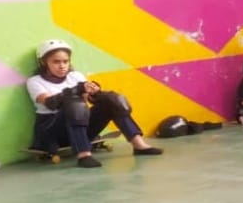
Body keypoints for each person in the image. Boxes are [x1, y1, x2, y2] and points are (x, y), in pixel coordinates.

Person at [27, 39, 164, 168]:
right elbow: (51, 103)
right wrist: (77, 90)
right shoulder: (35, 81)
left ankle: (139, 145)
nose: (62, 66)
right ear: (44, 62)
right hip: (52, 131)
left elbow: (88, 98)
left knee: (112, 101)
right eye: (56, 62)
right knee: (75, 104)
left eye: (65, 61)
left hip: (79, 125)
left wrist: (95, 92)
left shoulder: (75, 76)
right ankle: (84, 155)